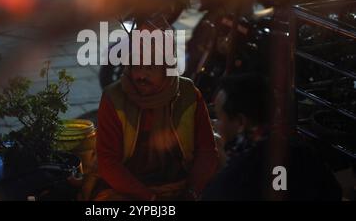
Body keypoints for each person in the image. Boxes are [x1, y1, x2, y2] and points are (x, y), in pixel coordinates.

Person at [92, 20, 219, 201]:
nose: (141, 75)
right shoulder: (113, 98)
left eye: (150, 68)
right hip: (129, 192)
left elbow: (206, 151)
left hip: (182, 186)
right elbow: (108, 162)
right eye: (136, 66)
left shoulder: (189, 94)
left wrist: (192, 191)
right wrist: (150, 199)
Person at [202, 73, 342, 201]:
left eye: (219, 117)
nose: (215, 125)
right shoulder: (303, 153)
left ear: (240, 122)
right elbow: (334, 192)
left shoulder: (227, 184)